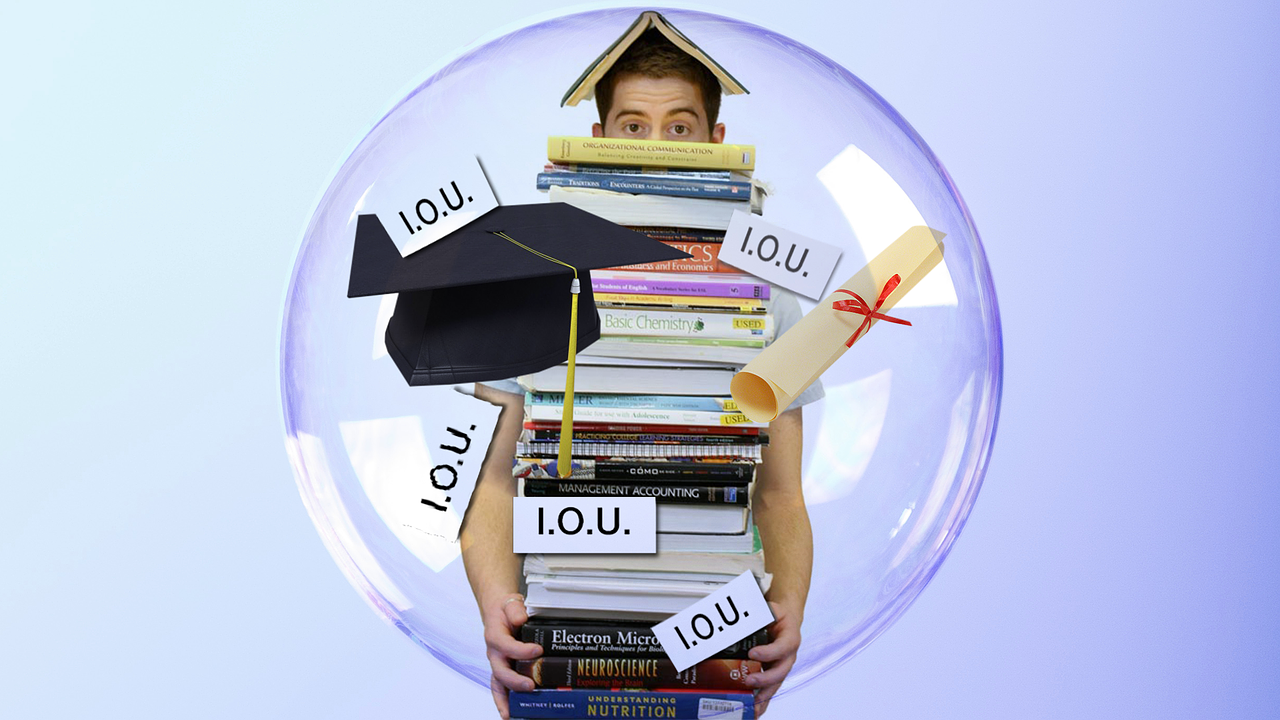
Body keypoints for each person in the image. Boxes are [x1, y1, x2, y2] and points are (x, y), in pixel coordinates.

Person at [459, 28, 820, 719]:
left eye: (678, 127)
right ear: (597, 138)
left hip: (711, 640)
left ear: (717, 141)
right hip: (565, 635)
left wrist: (788, 609)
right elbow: (492, 481)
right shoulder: (527, 276)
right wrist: (496, 608)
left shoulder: (768, 293)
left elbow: (779, 496)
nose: (656, 147)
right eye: (634, 126)